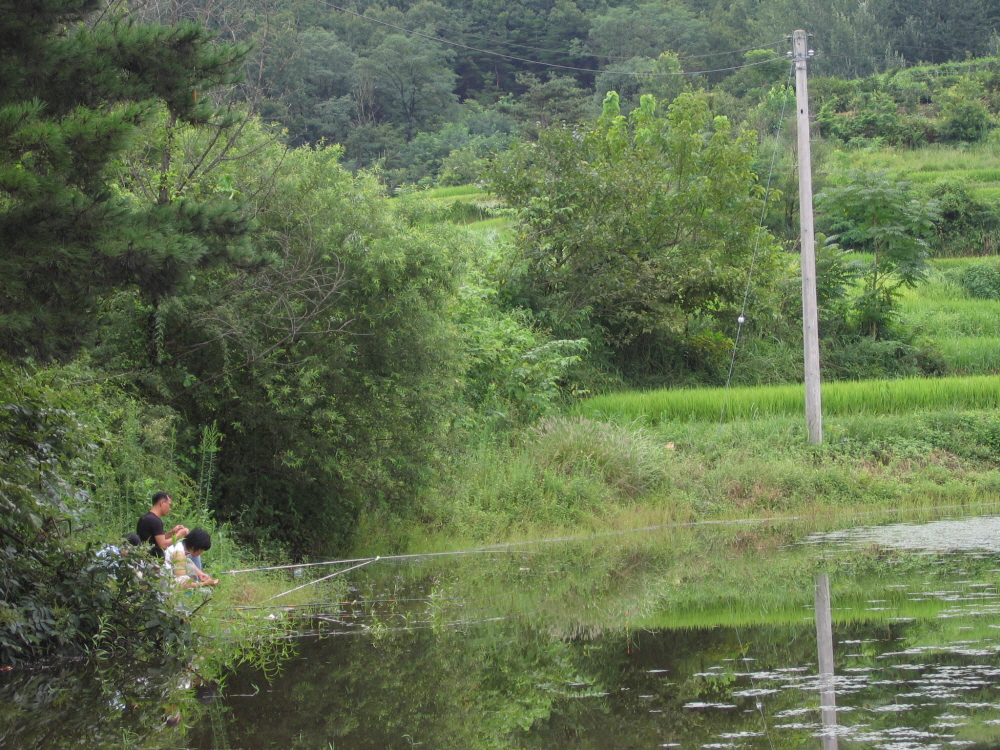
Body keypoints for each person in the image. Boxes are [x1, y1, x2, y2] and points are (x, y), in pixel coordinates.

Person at [136, 492, 188, 556]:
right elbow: (163, 545)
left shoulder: (144, 518)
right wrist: (179, 535)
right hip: (152, 558)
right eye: (169, 505)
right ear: (162, 503)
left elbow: (155, 539)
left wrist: (172, 532)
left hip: (143, 556)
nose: (170, 508)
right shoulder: (155, 521)